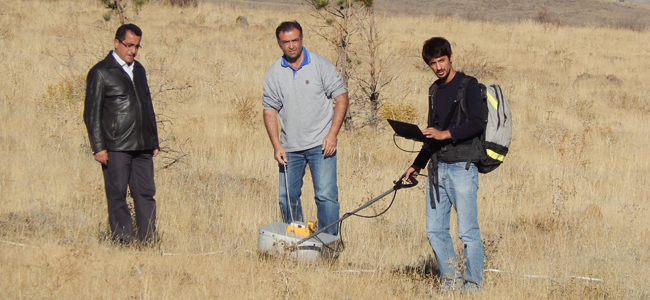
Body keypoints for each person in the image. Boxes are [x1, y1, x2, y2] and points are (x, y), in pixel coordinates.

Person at [404, 37, 486, 292]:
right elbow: (431, 133)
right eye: (432, 63)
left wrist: (446, 135)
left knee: (467, 232)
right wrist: (416, 165)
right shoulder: (434, 90)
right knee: (435, 231)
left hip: (462, 167)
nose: (438, 67)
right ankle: (451, 283)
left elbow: (477, 122)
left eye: (441, 60)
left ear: (450, 57)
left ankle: (473, 287)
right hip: (437, 169)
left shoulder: (469, 85)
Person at [262, 21, 349, 235]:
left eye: (295, 40)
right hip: (290, 148)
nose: (291, 46)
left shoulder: (320, 65)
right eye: (286, 42)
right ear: (279, 44)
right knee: (287, 197)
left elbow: (341, 97)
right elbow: (269, 111)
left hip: (321, 146)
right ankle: (297, 241)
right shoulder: (274, 72)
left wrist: (332, 134)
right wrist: (276, 145)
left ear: (301, 39)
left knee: (326, 197)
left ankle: (329, 245)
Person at [83, 23, 159, 245]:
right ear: (116, 43)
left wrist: (153, 138)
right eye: (128, 45)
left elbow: (147, 106)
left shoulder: (139, 70)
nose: (132, 51)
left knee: (145, 194)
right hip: (116, 146)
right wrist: (99, 146)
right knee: (117, 196)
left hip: (143, 145)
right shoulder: (100, 72)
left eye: (136, 46)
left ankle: (147, 241)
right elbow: (91, 114)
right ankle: (123, 241)